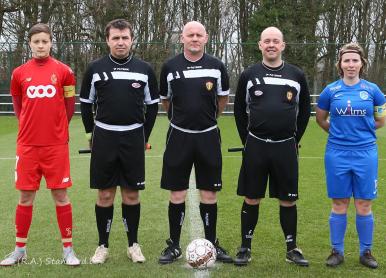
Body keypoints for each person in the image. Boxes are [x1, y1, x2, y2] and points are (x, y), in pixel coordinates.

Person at [80, 19, 159, 264]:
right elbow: (85, 104)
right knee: (105, 194)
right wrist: (89, 134)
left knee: (131, 194)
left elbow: (152, 106)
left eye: (125, 38)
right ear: (107, 40)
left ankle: (133, 245)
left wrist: (144, 136)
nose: (121, 42)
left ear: (132, 40)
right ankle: (102, 246)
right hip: (104, 137)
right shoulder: (95, 68)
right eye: (116, 38)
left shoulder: (144, 69)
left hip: (133, 137)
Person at [0, 23, 80, 266]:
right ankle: (19, 250)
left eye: (45, 41)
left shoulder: (64, 71)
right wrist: (25, 122)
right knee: (25, 197)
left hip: (55, 146)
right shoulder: (19, 73)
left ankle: (68, 250)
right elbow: (17, 101)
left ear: (51, 43)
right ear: (30, 44)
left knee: (60, 194)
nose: (41, 45)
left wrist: (58, 130)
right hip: (27, 146)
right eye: (36, 41)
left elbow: (69, 105)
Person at [233, 26, 311, 266]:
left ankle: (292, 248)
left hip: (285, 147)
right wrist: (247, 141)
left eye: (275, 41)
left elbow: (304, 111)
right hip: (256, 145)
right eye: (266, 41)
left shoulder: (296, 75)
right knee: (251, 197)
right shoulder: (249, 74)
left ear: (283, 45)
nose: (271, 45)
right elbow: (239, 111)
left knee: (288, 199)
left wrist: (294, 140)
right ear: (259, 45)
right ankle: (245, 248)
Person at [158, 21, 233, 264]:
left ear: (206, 38)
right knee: (177, 192)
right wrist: (182, 120)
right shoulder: (169, 67)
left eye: (199, 35)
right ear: (182, 38)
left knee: (209, 192)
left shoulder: (217, 66)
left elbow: (222, 99)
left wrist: (206, 120)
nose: (194, 39)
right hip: (178, 135)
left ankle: (212, 243)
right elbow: (166, 102)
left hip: (208, 135)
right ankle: (173, 245)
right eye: (190, 35)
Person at [316, 43, 385, 269]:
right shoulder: (330, 91)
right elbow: (321, 119)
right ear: (340, 64)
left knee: (364, 203)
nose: (351, 65)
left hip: (366, 153)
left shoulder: (373, 90)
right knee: (339, 202)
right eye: (347, 60)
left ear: (362, 63)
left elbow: (381, 120)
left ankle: (366, 252)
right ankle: (337, 251)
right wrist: (339, 134)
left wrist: (361, 133)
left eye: (355, 60)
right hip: (337, 153)